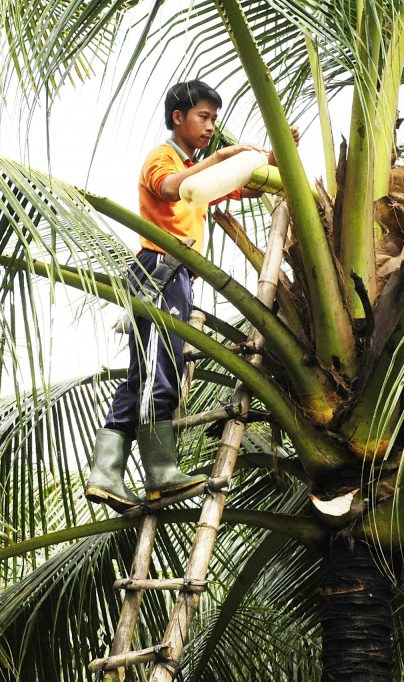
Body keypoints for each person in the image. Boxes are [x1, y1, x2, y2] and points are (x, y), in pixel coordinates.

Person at [85, 80, 296, 512]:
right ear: (178, 117)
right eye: (204, 116)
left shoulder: (199, 170)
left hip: (178, 276)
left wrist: (274, 157)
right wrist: (219, 157)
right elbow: (168, 188)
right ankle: (160, 473)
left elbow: (246, 186)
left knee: (143, 374)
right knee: (159, 371)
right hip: (158, 271)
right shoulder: (164, 158)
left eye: (214, 119)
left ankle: (105, 475)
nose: (210, 126)